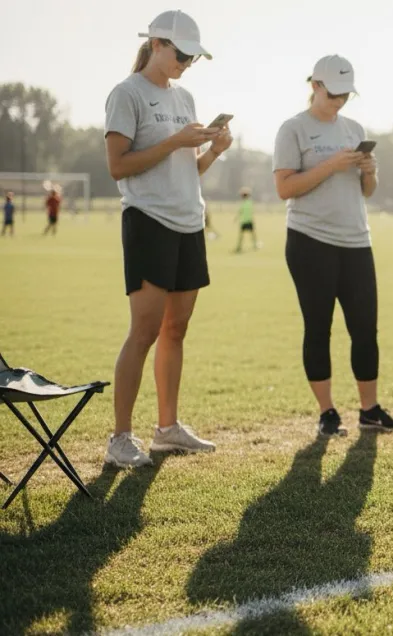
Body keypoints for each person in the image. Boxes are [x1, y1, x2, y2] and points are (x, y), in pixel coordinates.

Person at [103, 9, 227, 467]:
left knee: (177, 329)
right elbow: (118, 166)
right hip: (148, 221)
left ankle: (167, 430)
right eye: (182, 54)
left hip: (188, 223)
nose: (186, 64)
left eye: (193, 58)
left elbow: (187, 170)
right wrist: (176, 140)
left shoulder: (186, 96)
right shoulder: (126, 93)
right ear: (156, 44)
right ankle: (119, 438)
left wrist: (212, 149)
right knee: (145, 332)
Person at [273, 55, 393, 437]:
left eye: (346, 95)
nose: (340, 102)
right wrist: (331, 165)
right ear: (315, 86)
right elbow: (285, 188)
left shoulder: (353, 128)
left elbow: (367, 192)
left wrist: (370, 172)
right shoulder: (293, 128)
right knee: (319, 328)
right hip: (309, 240)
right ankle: (328, 412)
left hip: (356, 240)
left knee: (366, 329)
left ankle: (370, 410)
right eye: (334, 94)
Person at [234, 186, 259, 252]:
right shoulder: (250, 202)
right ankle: (255, 245)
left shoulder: (243, 203)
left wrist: (236, 218)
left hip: (244, 221)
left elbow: (240, 212)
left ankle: (239, 247)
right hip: (249, 221)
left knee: (242, 235)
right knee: (253, 234)